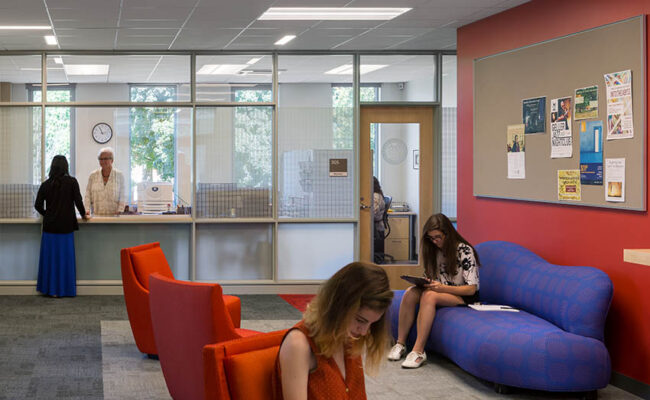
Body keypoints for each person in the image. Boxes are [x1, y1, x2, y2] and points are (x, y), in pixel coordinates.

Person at [273, 262, 393, 400]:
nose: (364, 332)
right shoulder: (298, 345)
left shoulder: (348, 337)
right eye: (360, 320)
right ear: (339, 305)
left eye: (372, 324)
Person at [387, 213, 480, 369]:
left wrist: (442, 288)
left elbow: (472, 289)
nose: (435, 241)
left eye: (438, 237)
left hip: (463, 297)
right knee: (410, 292)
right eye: (431, 238)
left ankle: (418, 351)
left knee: (430, 296)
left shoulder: (464, 250)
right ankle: (400, 343)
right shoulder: (433, 249)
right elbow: (433, 276)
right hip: (440, 290)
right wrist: (425, 282)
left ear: (447, 234)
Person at [34, 155, 87, 297]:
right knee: (65, 260)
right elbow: (78, 202)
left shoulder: (46, 184)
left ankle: (49, 290)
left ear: (52, 167)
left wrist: (47, 214)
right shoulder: (72, 182)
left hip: (50, 228)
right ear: (66, 167)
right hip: (66, 228)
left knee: (50, 260)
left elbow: (37, 205)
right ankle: (65, 290)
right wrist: (84, 215)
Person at [84, 147, 126, 216]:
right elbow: (88, 195)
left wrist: (120, 210)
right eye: (101, 159)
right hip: (96, 217)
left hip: (114, 217)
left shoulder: (119, 175)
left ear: (112, 160)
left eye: (106, 158)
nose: (103, 161)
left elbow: (123, 195)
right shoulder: (93, 175)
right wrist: (87, 210)